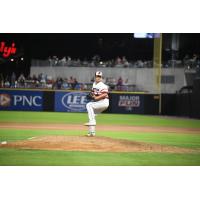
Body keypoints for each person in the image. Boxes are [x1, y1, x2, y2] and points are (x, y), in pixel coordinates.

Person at [84, 71, 109, 137]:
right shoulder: (94, 84)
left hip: (104, 102)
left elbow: (105, 94)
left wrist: (96, 98)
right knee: (92, 115)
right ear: (95, 77)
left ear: (101, 78)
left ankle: (92, 122)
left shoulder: (102, 85)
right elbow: (93, 93)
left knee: (89, 105)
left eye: (99, 77)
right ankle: (92, 132)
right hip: (99, 102)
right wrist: (91, 95)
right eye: (97, 76)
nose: (98, 78)